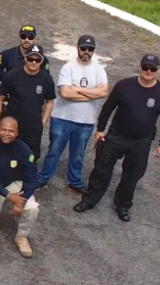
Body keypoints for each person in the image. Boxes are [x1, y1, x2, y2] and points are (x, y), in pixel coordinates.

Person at [75, 54, 160, 221]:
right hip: (116, 135)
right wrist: (100, 129)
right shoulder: (124, 85)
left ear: (158, 71)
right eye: (145, 67)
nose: (148, 71)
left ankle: (123, 205)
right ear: (140, 67)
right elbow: (108, 107)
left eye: (152, 69)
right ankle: (89, 200)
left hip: (141, 141)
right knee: (101, 169)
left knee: (132, 176)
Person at [38, 35, 109, 194]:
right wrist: (92, 93)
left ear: (94, 51)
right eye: (83, 48)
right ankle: (43, 178)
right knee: (54, 151)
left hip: (86, 121)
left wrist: (77, 89)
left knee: (78, 154)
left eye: (90, 49)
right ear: (77, 48)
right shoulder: (68, 68)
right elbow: (65, 93)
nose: (86, 51)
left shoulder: (99, 70)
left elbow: (104, 92)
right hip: (62, 118)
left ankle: (75, 181)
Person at [0, 117, 41, 258]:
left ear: (17, 133)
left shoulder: (24, 150)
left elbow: (31, 178)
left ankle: (22, 236)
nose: (7, 133)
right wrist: (8, 195)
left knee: (32, 207)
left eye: (11, 131)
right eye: (4, 130)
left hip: (14, 184)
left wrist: (21, 201)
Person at [0, 44, 55, 160]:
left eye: (37, 60)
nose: (33, 62)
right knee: (7, 157)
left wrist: (43, 122)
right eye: (31, 59)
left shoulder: (47, 79)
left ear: (42, 61)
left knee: (30, 159)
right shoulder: (12, 76)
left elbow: (49, 101)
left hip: (33, 128)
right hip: (12, 127)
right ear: (25, 58)